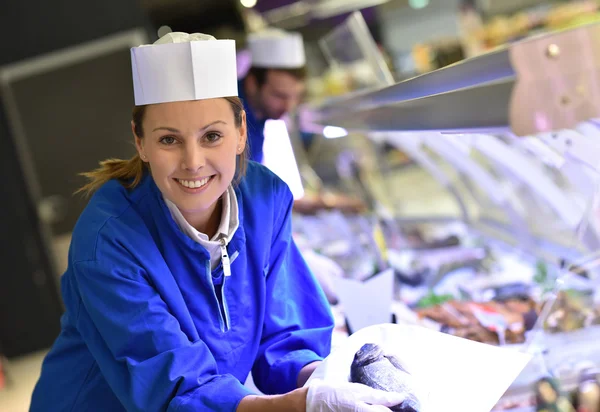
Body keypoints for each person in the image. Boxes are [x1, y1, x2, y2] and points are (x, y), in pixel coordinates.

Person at [29, 32, 405, 412]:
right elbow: (175, 387)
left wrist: (331, 377)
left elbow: (284, 336)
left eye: (211, 135)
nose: (193, 162)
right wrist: (299, 405)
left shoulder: (264, 200)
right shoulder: (108, 241)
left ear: (241, 132)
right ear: (140, 142)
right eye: (169, 140)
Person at [240, 28, 307, 164]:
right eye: (279, 96)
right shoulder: (229, 116)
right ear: (252, 84)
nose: (289, 107)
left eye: (295, 97)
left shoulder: (260, 114)